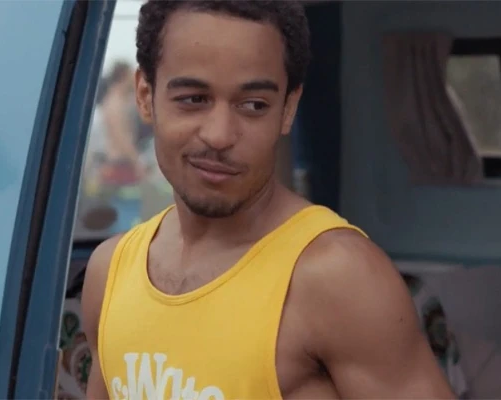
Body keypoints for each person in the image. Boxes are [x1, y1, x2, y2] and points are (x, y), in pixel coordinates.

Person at [81, 1, 456, 399]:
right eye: (193, 99)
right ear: (145, 96)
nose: (220, 135)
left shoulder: (338, 276)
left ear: (288, 109)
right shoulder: (110, 271)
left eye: (253, 105)